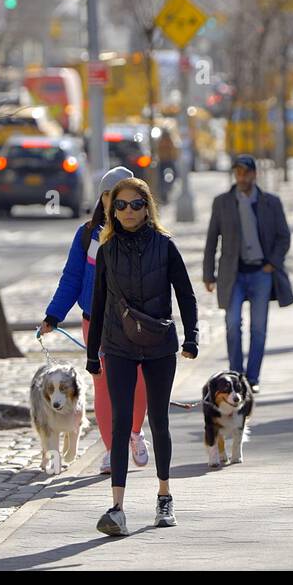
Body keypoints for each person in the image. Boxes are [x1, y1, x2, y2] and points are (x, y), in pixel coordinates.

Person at [88, 177, 199, 535]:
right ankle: (117, 507)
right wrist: (93, 355)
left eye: (136, 204)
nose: (129, 211)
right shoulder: (106, 251)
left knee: (158, 421)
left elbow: (186, 294)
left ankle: (164, 496)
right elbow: (99, 303)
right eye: (121, 205)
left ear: (148, 207)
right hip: (119, 345)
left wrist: (191, 337)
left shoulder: (165, 246)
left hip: (159, 343)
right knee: (122, 423)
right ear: (112, 210)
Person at [41, 166, 149, 475]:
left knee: (138, 382)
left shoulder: (145, 234)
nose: (116, 204)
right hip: (95, 322)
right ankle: (112, 450)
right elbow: (72, 277)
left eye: (124, 198)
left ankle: (134, 433)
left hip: (134, 322)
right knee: (102, 385)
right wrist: (54, 314)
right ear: (102, 199)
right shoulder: (87, 233)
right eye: (109, 197)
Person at [203, 154, 293, 392]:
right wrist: (208, 274)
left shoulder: (270, 202)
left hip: (261, 273)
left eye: (245, 172)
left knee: (259, 327)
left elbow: (284, 236)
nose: (241, 177)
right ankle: (235, 375)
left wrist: (272, 263)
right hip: (232, 274)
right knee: (232, 323)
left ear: (254, 174)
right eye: (238, 172)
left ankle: (252, 378)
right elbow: (212, 239)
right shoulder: (222, 202)